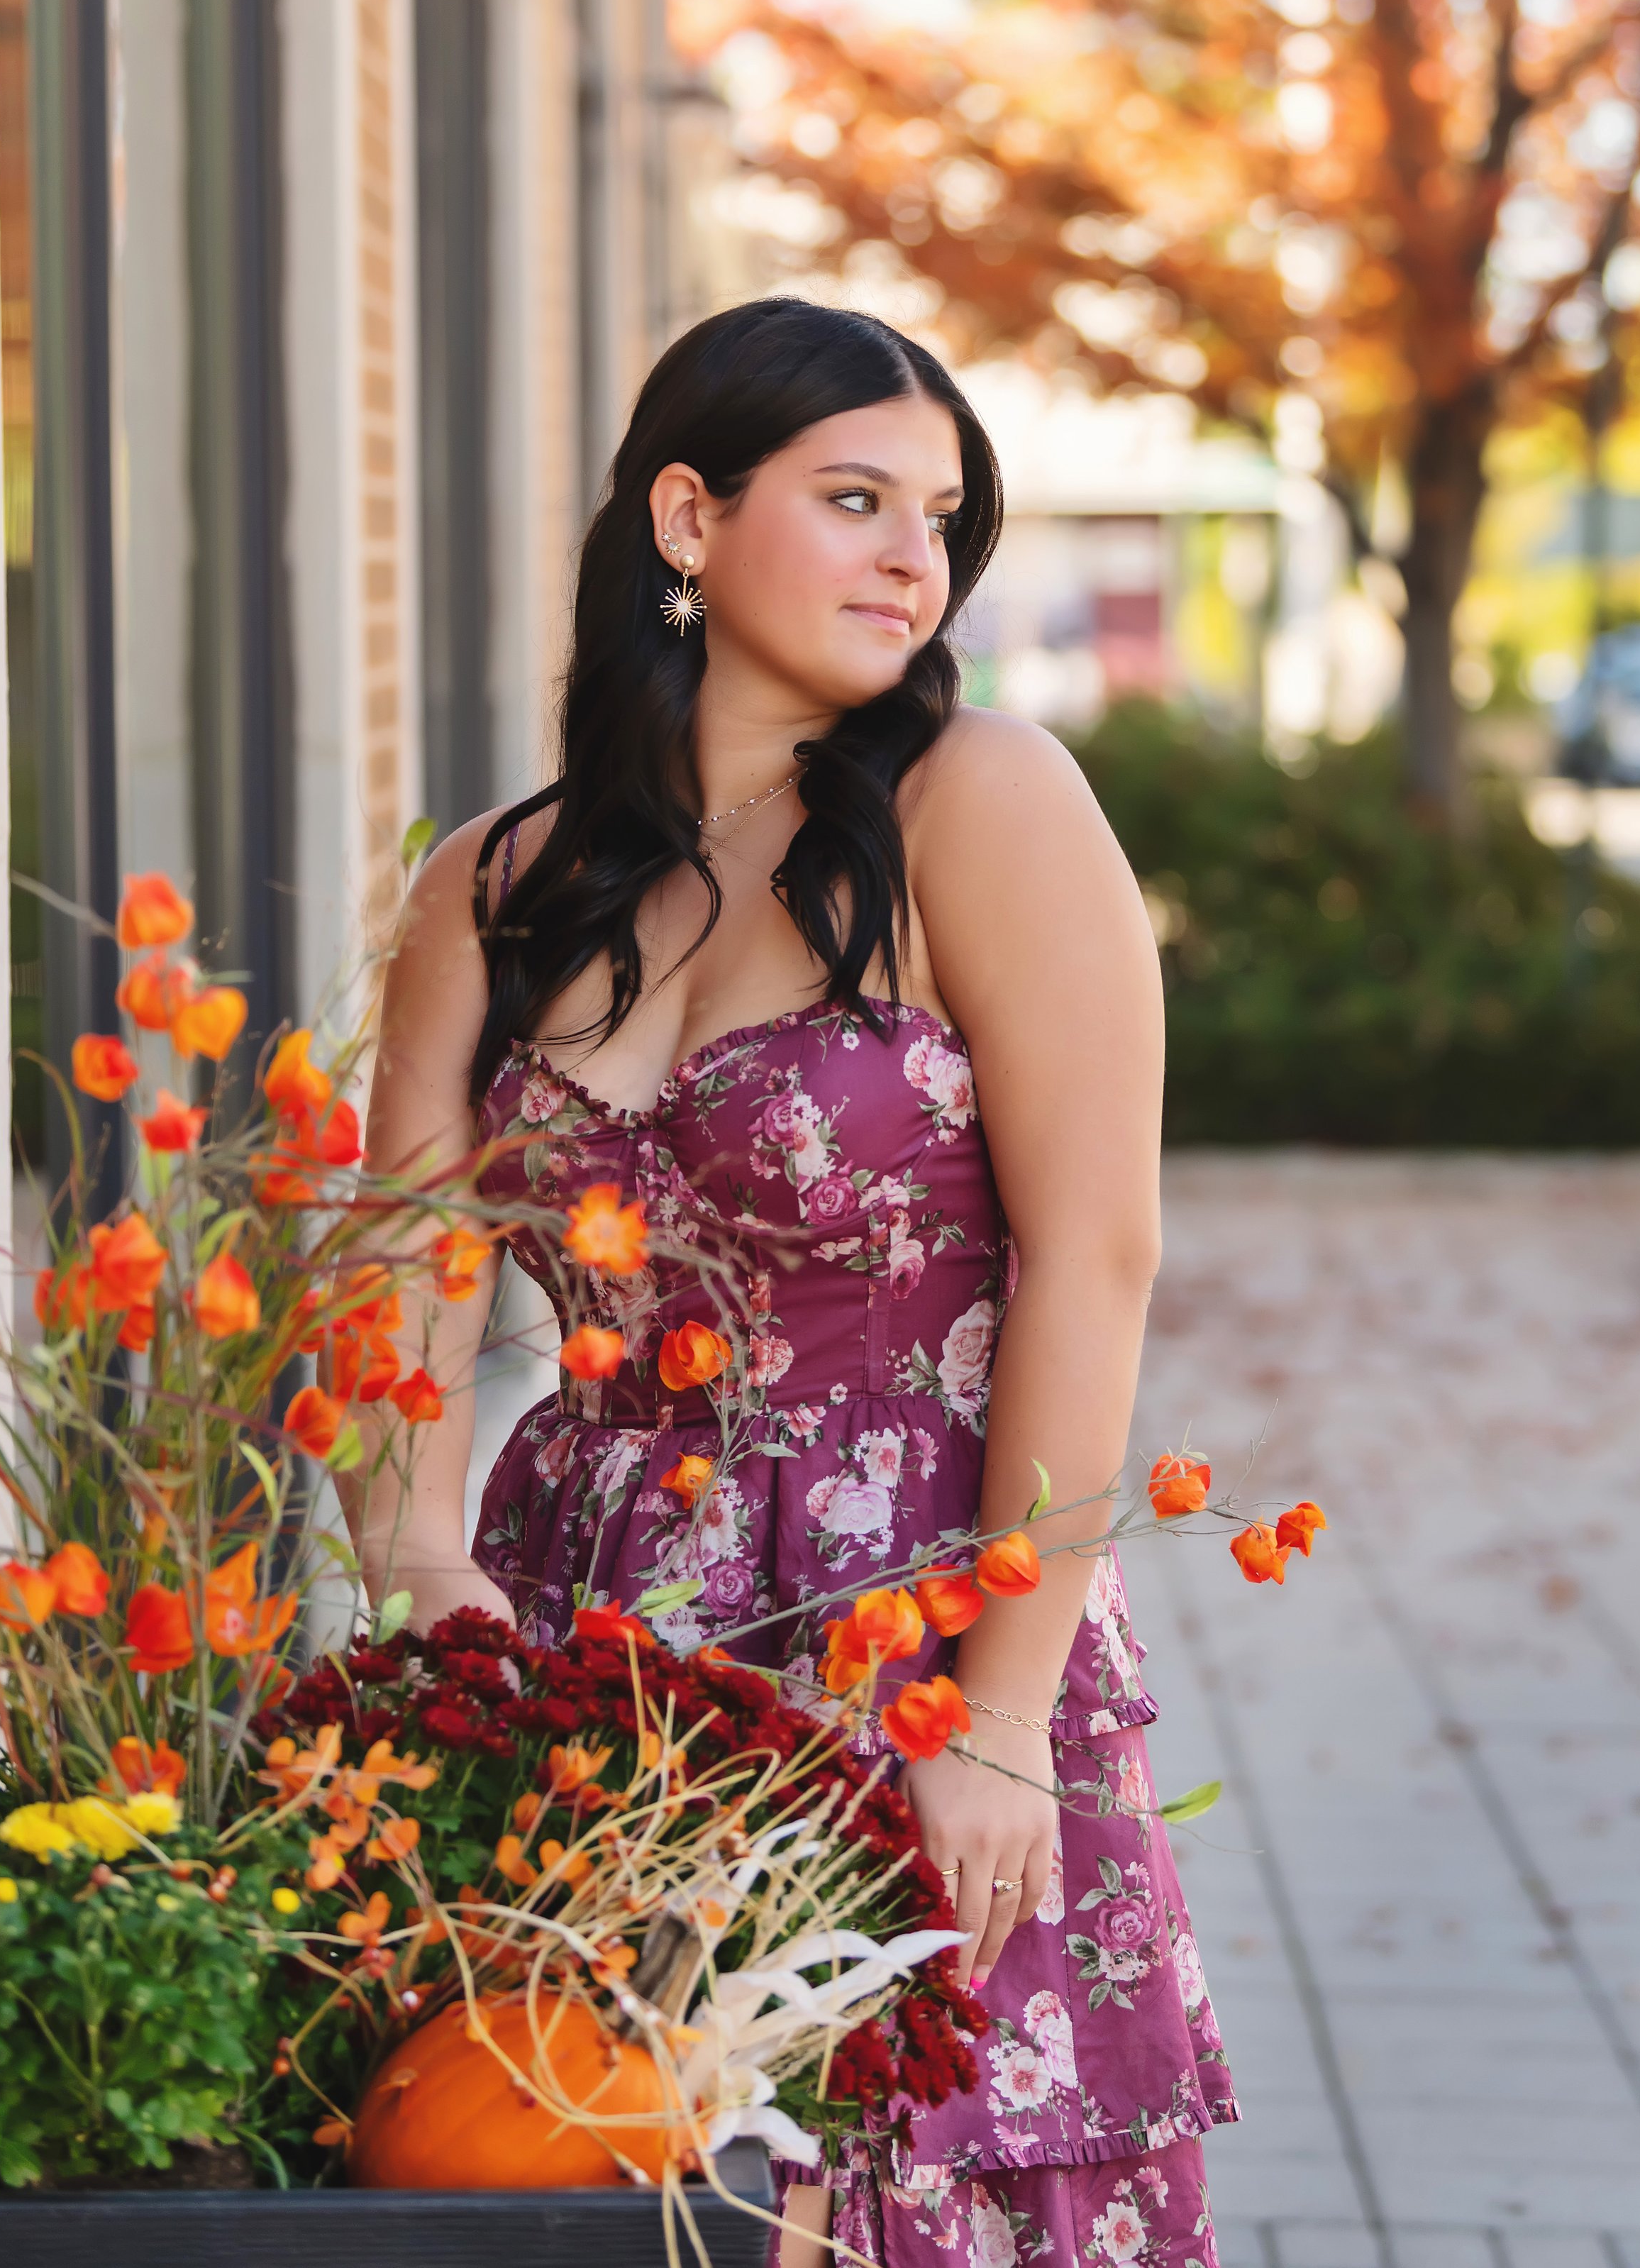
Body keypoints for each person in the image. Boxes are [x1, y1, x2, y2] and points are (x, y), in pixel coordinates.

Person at [353, 298, 1234, 2264]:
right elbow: (399, 1263)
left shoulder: (980, 803)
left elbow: (1094, 1258)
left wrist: (1000, 1711)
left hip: (915, 1617)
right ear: (686, 514)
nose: (914, 557)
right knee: (573, 2166)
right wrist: (420, 1568)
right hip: (585, 1638)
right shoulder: (493, 887)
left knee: (903, 2190)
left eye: (940, 516)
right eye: (854, 500)